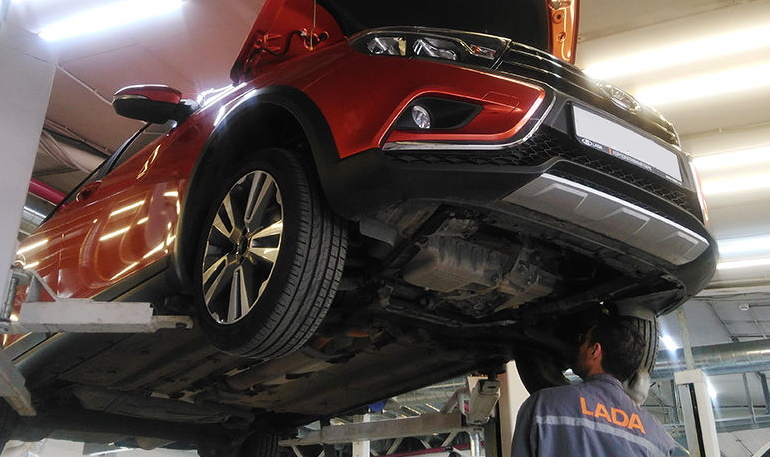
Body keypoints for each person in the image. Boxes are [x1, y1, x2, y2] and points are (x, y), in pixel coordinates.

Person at [511, 315, 678, 457]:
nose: (579, 347)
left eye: (583, 341)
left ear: (594, 351)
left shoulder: (542, 405)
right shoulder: (658, 436)